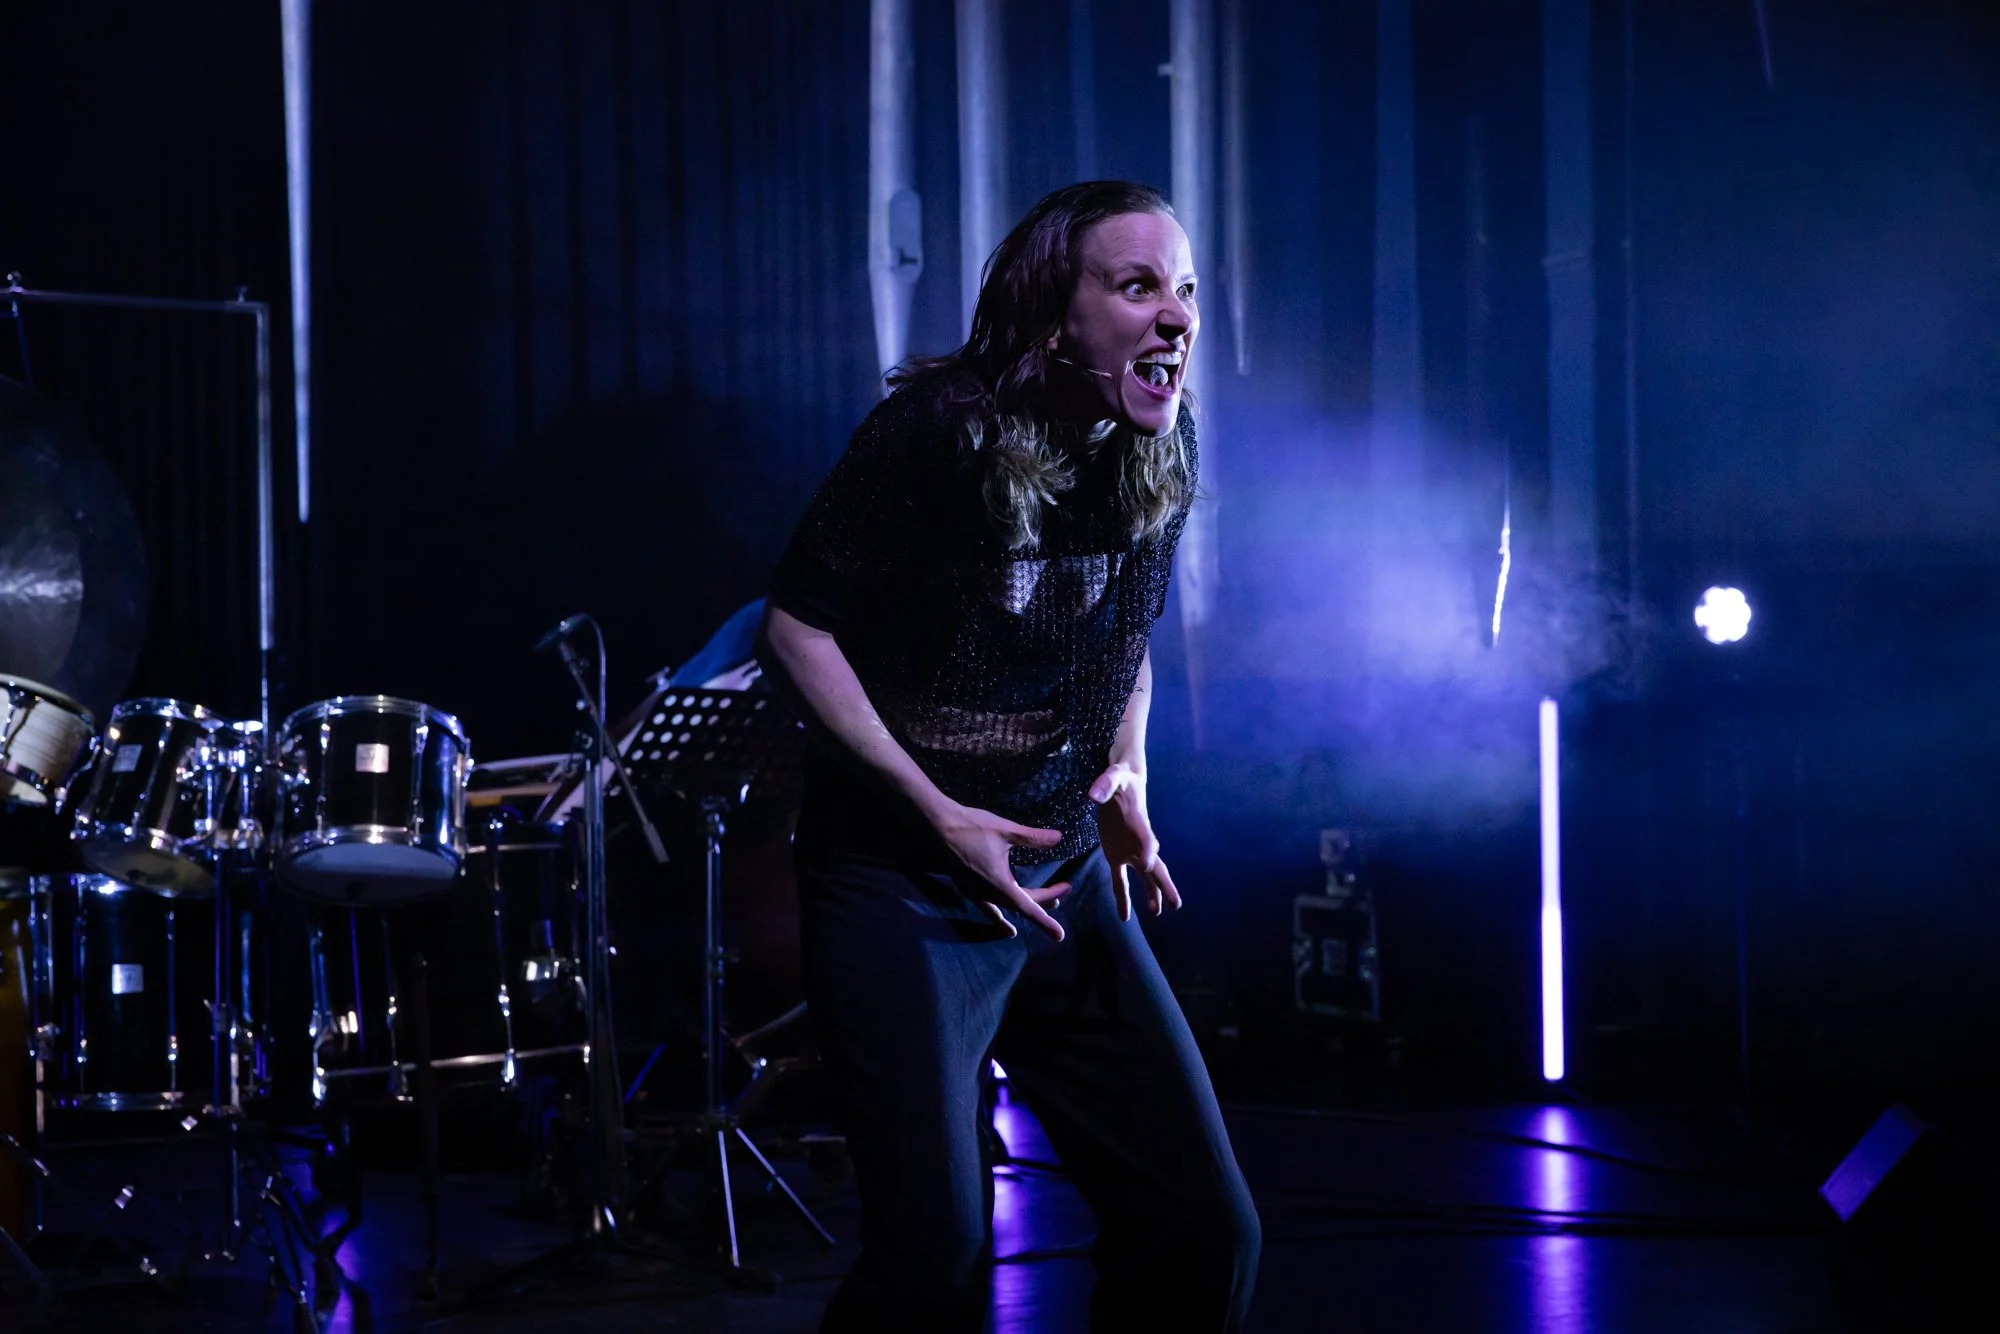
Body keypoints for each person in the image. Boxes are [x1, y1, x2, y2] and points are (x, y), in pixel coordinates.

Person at [757, 180, 1259, 1332]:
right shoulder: (934, 436)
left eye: (1183, 287)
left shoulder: (1157, 442)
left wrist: (1126, 772)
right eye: (1136, 286)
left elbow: (1118, 647)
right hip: (901, 883)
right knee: (930, 1259)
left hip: (1061, 873)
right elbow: (795, 626)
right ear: (1051, 316)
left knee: (1204, 1228)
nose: (1174, 315)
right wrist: (936, 811)